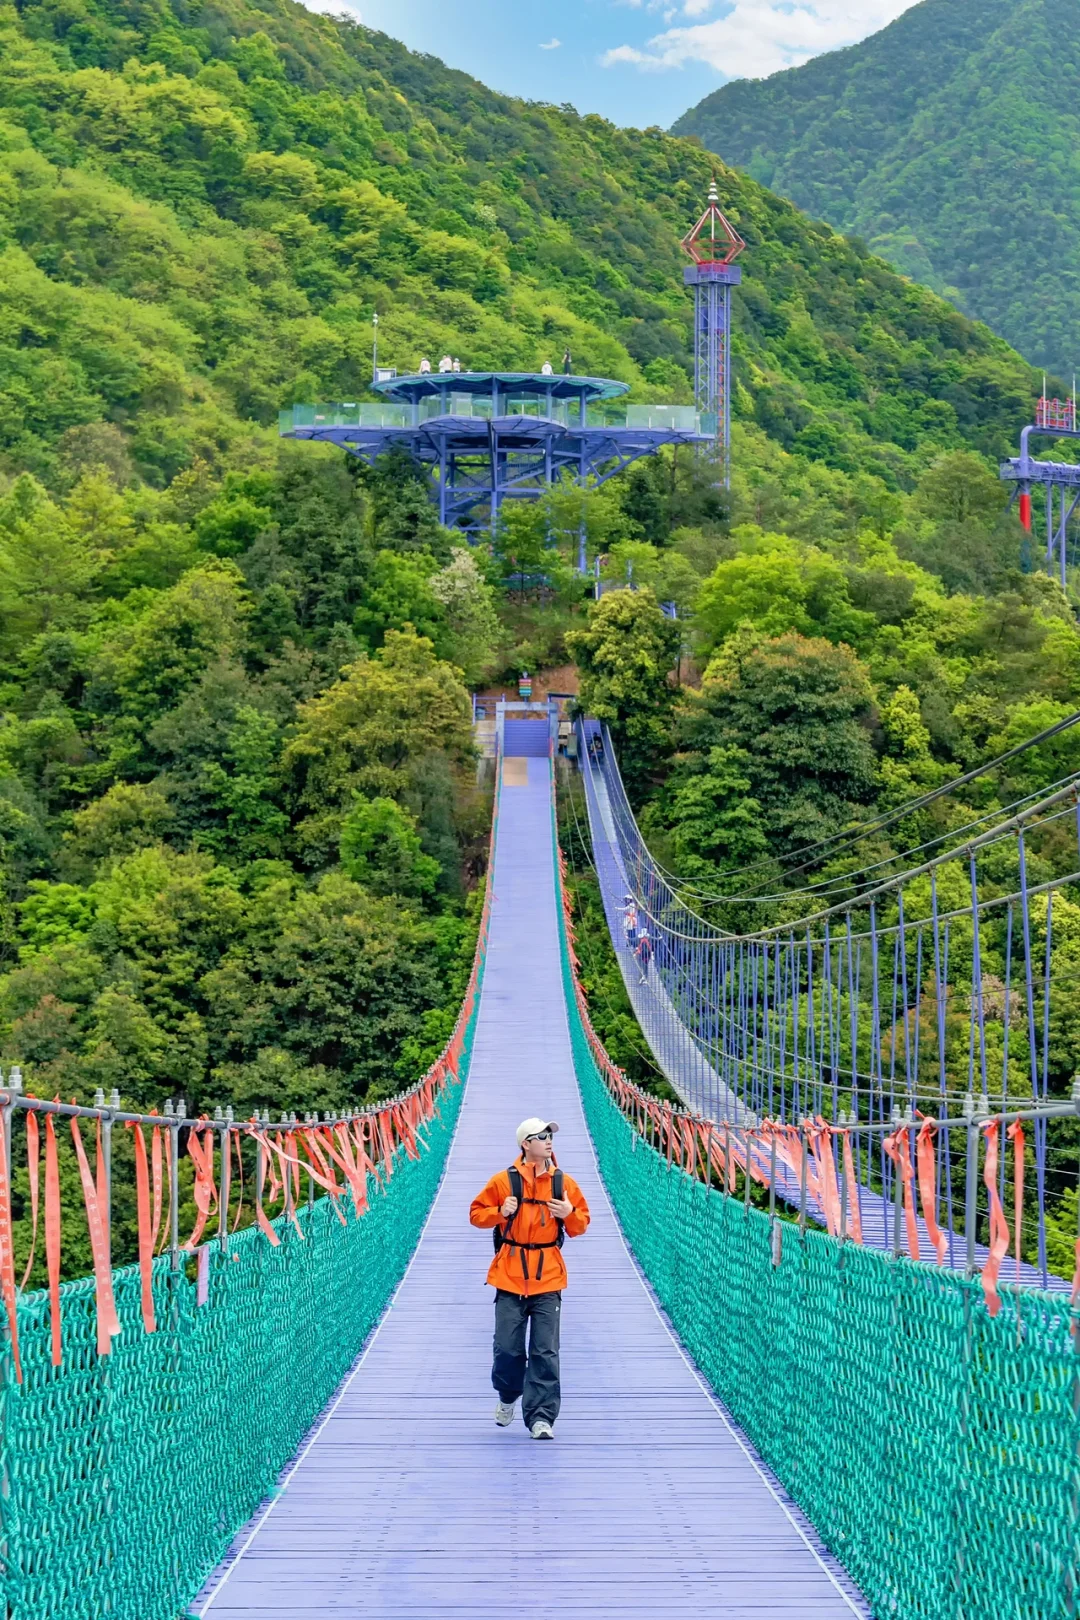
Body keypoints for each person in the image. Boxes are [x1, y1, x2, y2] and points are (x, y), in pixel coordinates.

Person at [469, 1118, 590, 1439]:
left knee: (545, 1351)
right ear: (526, 1143)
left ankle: (541, 1417)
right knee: (507, 1349)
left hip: (548, 1276)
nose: (549, 1141)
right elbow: (476, 1214)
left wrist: (569, 1214)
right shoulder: (503, 1181)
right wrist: (500, 1213)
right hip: (509, 1275)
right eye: (542, 1136)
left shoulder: (563, 1183)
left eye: (551, 1136)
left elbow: (581, 1225)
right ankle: (508, 1395)